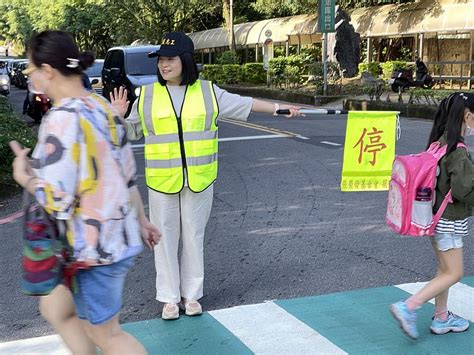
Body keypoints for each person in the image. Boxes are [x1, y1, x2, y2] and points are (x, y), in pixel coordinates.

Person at [111, 31, 302, 320]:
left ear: (185, 61)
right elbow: (130, 133)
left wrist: (280, 108)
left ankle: (191, 295)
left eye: (170, 59)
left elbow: (246, 104)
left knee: (193, 237)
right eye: (161, 60)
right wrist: (118, 116)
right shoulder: (148, 95)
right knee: (164, 239)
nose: (164, 65)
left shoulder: (209, 92)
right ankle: (169, 298)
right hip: (162, 182)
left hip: (199, 179)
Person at [10, 30, 160, 354]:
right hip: (114, 237)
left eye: (32, 71)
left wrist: (25, 176)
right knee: (57, 310)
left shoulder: (61, 119)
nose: (32, 78)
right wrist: (143, 220)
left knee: (106, 333)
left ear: (48, 71)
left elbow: (57, 200)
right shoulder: (102, 106)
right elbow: (126, 176)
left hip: (95, 247)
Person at [390, 92, 473, 339]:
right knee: (455, 273)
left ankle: (441, 317)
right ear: (468, 117)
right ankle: (409, 306)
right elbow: (464, 189)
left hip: (434, 219)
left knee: (443, 269)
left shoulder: (438, 143)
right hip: (449, 223)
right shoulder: (457, 151)